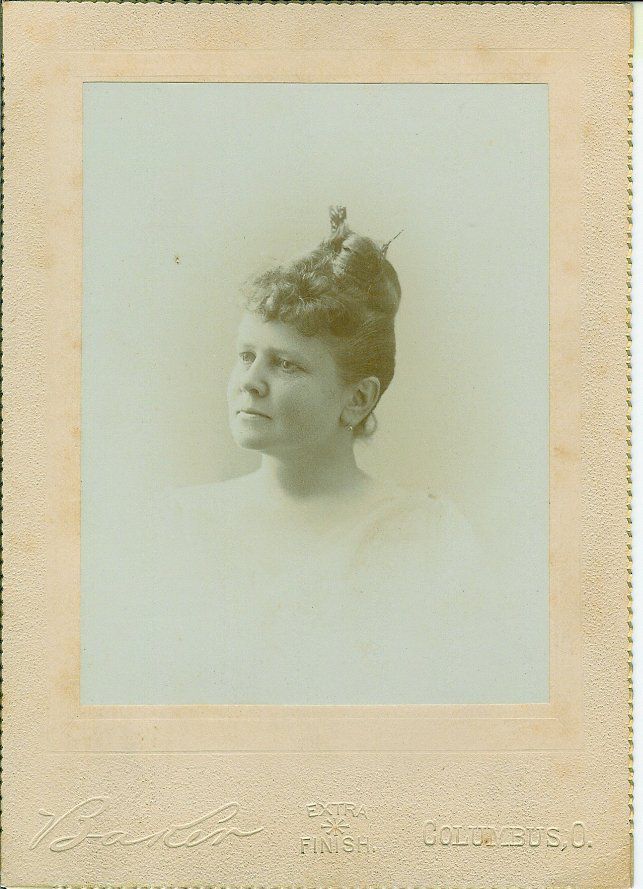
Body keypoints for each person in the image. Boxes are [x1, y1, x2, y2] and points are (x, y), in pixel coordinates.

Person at [153, 207, 481, 704]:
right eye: (246, 356)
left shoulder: (423, 535)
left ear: (358, 399)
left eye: (286, 365)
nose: (250, 382)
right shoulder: (179, 524)